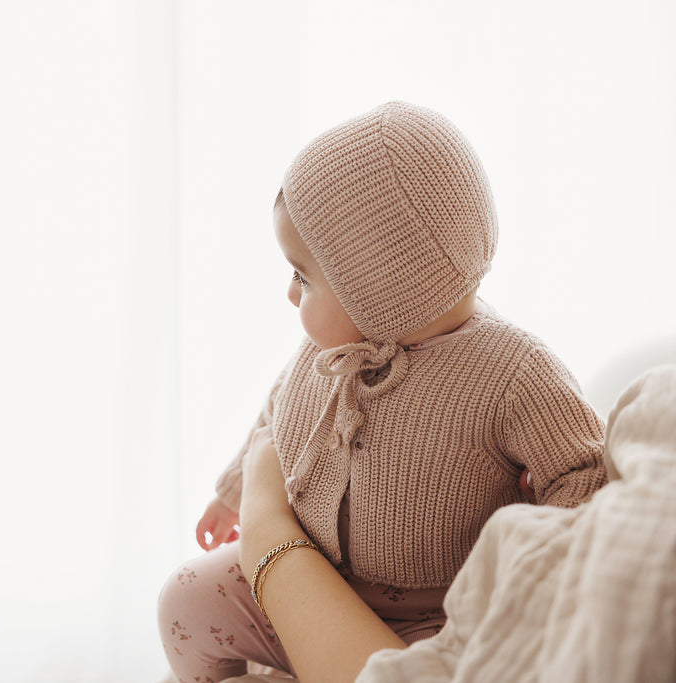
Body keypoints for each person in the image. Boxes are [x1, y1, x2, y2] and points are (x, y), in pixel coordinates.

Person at [157, 101, 607, 683]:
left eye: (303, 277)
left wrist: (535, 561)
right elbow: (275, 414)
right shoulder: (330, 352)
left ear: (379, 284)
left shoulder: (512, 372)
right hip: (313, 572)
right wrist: (234, 488)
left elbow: (582, 467)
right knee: (184, 600)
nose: (290, 296)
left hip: (434, 613)